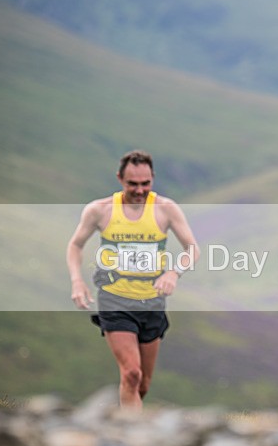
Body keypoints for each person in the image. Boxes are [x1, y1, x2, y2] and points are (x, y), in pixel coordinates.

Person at [66, 150, 199, 411]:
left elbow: (192, 248)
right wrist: (76, 281)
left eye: (145, 184)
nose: (139, 190)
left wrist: (173, 273)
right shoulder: (100, 211)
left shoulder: (166, 210)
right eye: (132, 184)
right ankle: (132, 434)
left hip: (152, 303)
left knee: (143, 383)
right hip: (115, 300)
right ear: (119, 179)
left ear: (152, 179)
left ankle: (123, 423)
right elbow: (75, 245)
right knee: (131, 374)